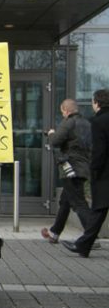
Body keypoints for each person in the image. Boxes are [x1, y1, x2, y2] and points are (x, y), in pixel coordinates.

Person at [61, 89, 109, 257]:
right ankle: (83, 245)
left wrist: (94, 170)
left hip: (104, 175)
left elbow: (99, 150)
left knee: (99, 210)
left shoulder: (98, 122)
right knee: (99, 212)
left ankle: (83, 245)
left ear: (97, 103)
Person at [41, 99, 93, 243]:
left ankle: (91, 237)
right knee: (65, 201)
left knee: (79, 203)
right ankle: (54, 233)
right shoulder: (87, 123)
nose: (62, 114)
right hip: (83, 167)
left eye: (62, 111)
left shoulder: (69, 122)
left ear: (66, 110)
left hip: (70, 168)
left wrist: (51, 133)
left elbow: (55, 141)